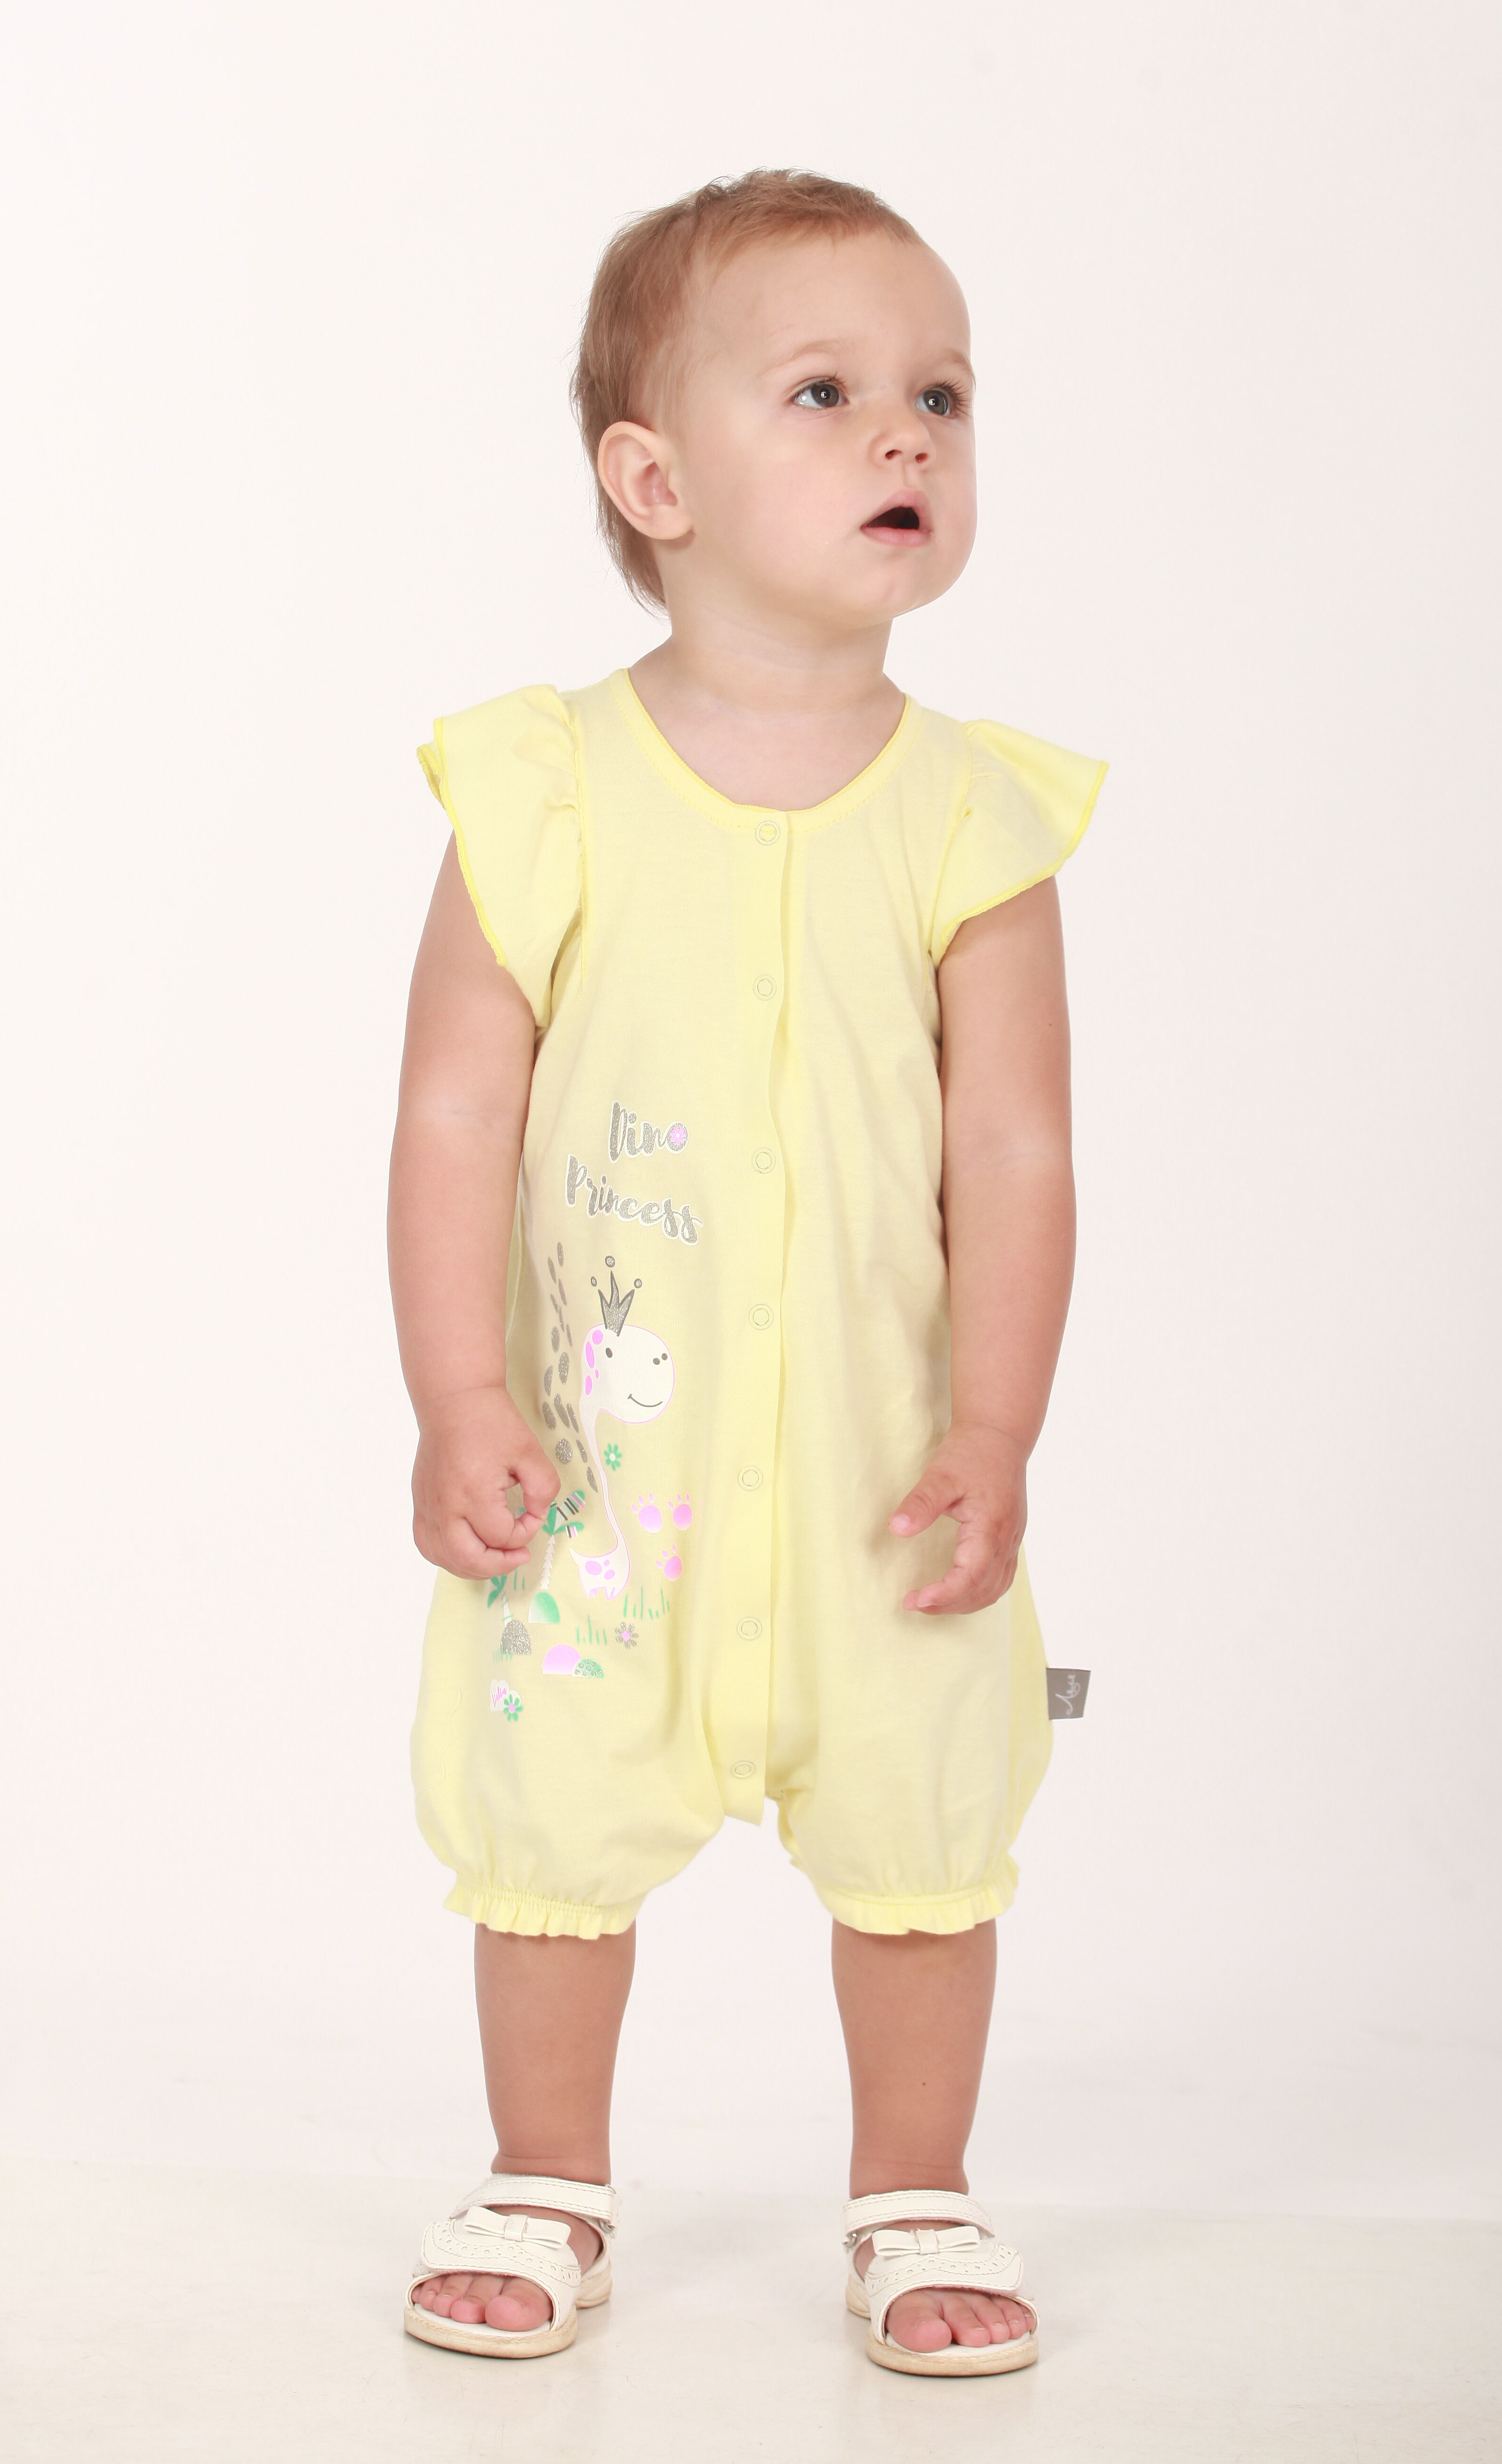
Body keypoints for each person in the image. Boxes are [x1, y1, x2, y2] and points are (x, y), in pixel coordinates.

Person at [387, 171, 1100, 2377]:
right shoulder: (546, 790)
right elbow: (452, 1118)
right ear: (656, 482)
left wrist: (997, 1428)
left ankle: (915, 2191)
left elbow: (1018, 1147)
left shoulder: (974, 818)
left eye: (942, 396)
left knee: (925, 1829)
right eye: (827, 393)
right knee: (548, 1827)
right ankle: (546, 2176)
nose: (906, 434)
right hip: (613, 1473)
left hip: (888, 1476)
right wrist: (459, 1398)